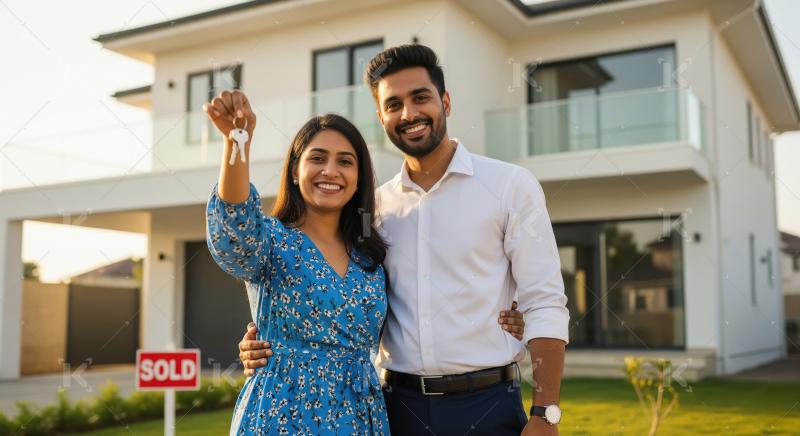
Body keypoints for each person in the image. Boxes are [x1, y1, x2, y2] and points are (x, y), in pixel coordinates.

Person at [239, 44, 570, 435]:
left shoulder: (509, 186)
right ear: (381, 117)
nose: (409, 114)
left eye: (420, 98)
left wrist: (545, 412)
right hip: (396, 409)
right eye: (393, 104)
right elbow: (334, 290)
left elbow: (544, 301)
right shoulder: (369, 211)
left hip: (488, 404)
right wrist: (271, 339)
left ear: (445, 102)